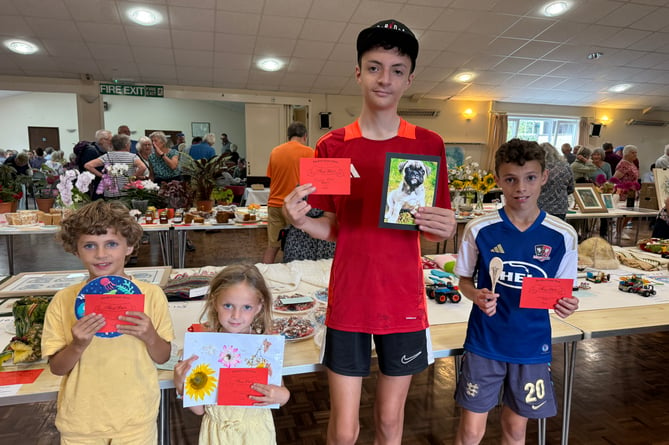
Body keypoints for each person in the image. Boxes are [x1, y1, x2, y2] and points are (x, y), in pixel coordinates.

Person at [282, 19, 456, 444]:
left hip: (403, 299)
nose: (385, 79)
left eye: (397, 70)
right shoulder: (333, 146)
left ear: (410, 78)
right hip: (349, 298)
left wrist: (448, 226)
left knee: (390, 423)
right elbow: (337, 228)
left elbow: (435, 228)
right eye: (375, 67)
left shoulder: (427, 144)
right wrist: (302, 221)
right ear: (358, 72)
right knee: (343, 429)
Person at [453, 138, 580, 445]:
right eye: (511, 179)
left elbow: (562, 293)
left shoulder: (563, 235)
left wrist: (566, 305)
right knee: (471, 430)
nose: (521, 188)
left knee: (515, 428)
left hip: (530, 345)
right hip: (485, 341)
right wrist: (476, 295)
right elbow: (464, 281)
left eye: (530, 178)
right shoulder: (479, 229)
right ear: (498, 180)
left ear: (544, 178)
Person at [41, 200, 174, 443]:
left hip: (136, 420)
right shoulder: (63, 301)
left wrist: (150, 336)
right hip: (81, 423)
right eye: (89, 245)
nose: (101, 254)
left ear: (129, 247)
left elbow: (163, 356)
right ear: (75, 249)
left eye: (111, 244)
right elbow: (57, 368)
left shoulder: (151, 295)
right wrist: (77, 345)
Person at [173, 264, 290, 444]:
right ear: (214, 303)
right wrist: (182, 384)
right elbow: (199, 409)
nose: (236, 315)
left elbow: (280, 393)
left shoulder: (264, 348)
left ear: (259, 307)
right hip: (216, 433)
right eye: (228, 305)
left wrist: (282, 396)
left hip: (255, 434)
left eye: (246, 307)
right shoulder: (204, 349)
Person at [263, 122, 314, 263]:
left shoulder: (275, 151)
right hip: (295, 207)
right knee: (297, 245)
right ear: (305, 136)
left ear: (288, 136)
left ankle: (263, 276)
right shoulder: (309, 152)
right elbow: (315, 180)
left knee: (273, 246)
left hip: (274, 204)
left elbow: (271, 176)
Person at [84, 133, 146, 198]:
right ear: (126, 145)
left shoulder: (107, 156)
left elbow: (88, 165)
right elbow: (143, 167)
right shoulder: (133, 157)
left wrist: (102, 176)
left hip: (110, 193)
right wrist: (132, 178)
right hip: (127, 191)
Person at [537, 142, 574, 220]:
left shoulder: (537, 167)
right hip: (560, 207)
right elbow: (571, 188)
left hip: (540, 206)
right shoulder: (565, 166)